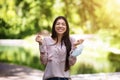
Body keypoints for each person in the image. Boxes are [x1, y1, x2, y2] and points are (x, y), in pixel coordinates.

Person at [35, 16, 84, 80]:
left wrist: (74, 47)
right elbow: (44, 61)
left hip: (65, 78)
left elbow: (71, 63)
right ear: (54, 26)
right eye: (58, 24)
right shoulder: (46, 40)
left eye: (63, 24)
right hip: (50, 78)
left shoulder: (71, 40)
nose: (60, 26)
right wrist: (41, 44)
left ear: (66, 27)